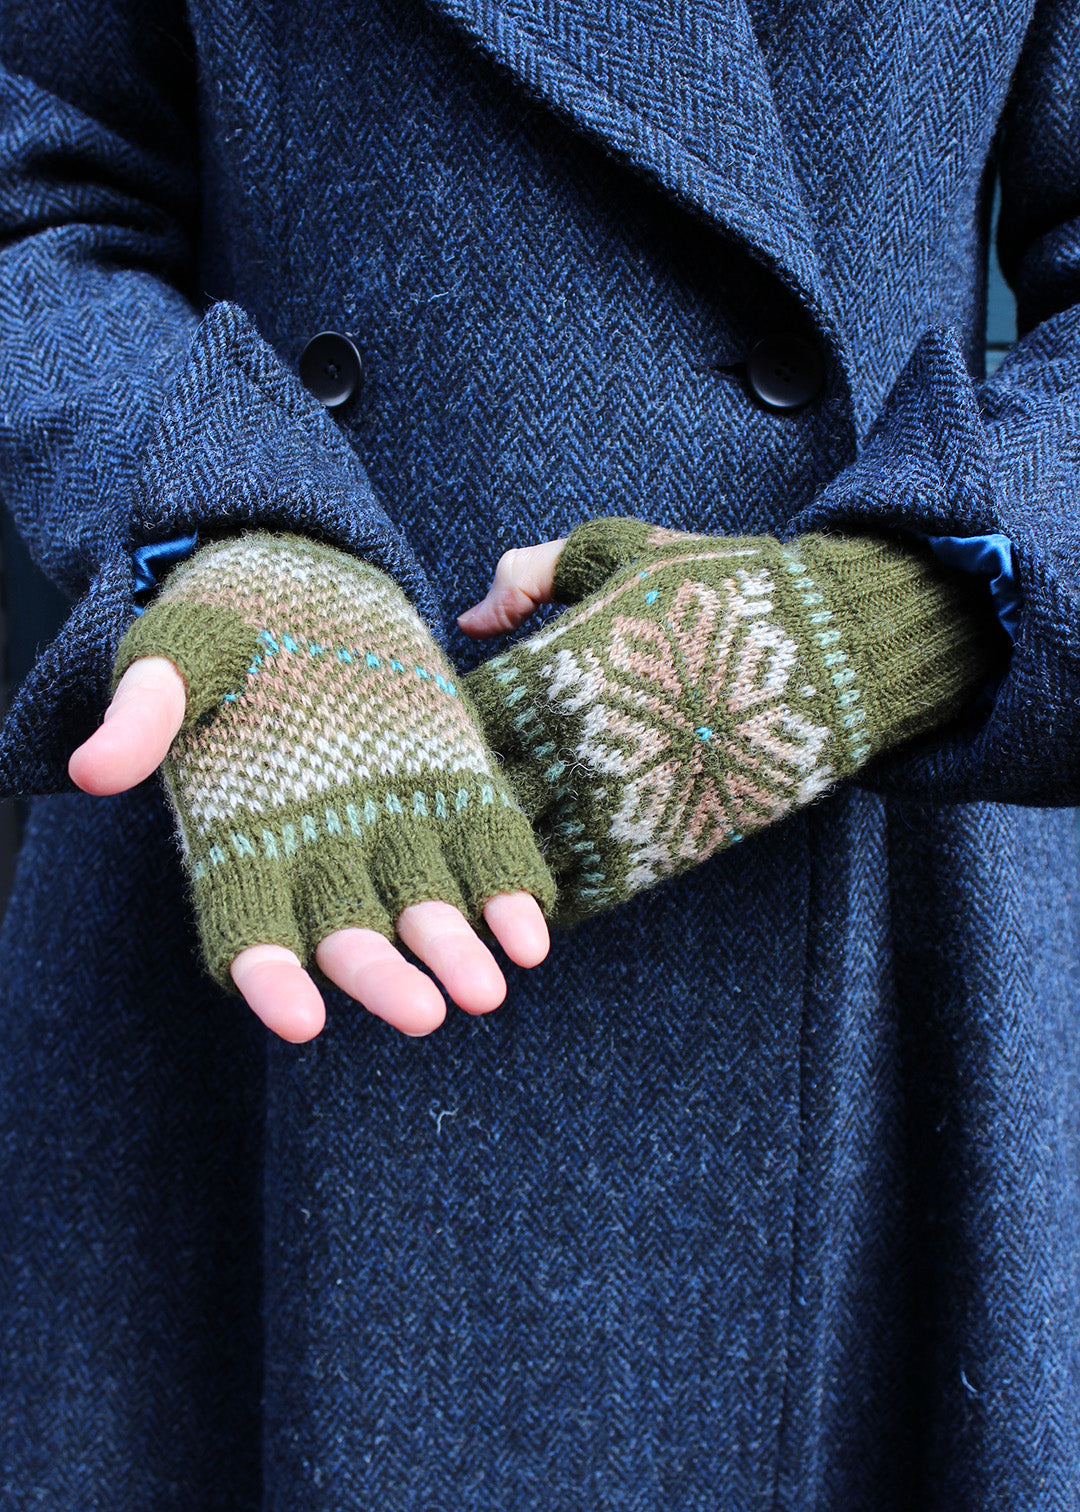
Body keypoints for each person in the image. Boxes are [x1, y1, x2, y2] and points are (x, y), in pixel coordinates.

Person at [0, 1, 1078, 1508]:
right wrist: (231, 519)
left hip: (883, 900)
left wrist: (904, 607)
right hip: (275, 813)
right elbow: (39, 182)